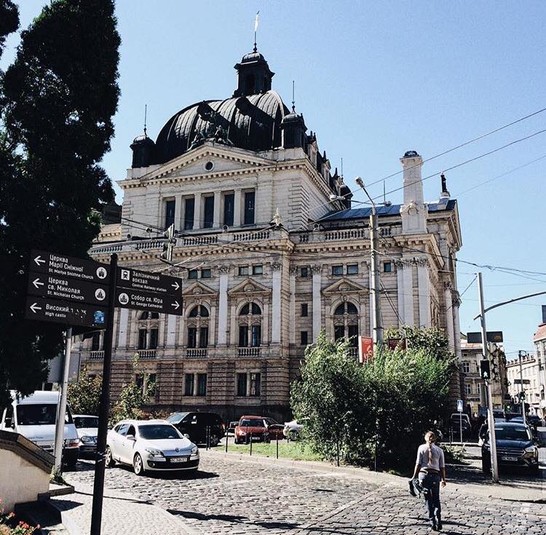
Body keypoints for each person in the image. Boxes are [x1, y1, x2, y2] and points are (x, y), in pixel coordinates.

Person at [411, 430, 446, 531]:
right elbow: (442, 467)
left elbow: (418, 464)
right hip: (435, 476)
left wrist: (414, 476)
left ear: (425, 438)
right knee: (436, 499)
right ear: (435, 439)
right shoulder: (439, 450)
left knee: (428, 500)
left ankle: (432, 521)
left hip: (424, 475)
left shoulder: (421, 448)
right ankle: (438, 519)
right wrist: (443, 479)